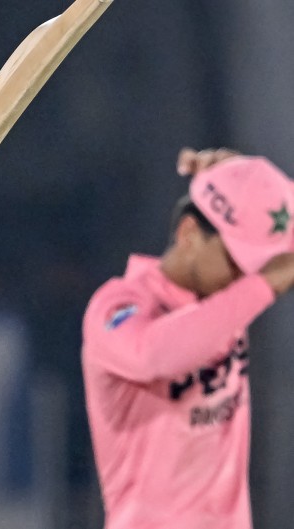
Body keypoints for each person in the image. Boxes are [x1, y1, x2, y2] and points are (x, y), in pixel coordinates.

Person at [81, 147, 294, 529]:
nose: (244, 277)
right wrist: (263, 285)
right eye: (236, 261)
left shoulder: (222, 301)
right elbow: (153, 355)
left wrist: (248, 181)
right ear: (189, 234)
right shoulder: (116, 305)